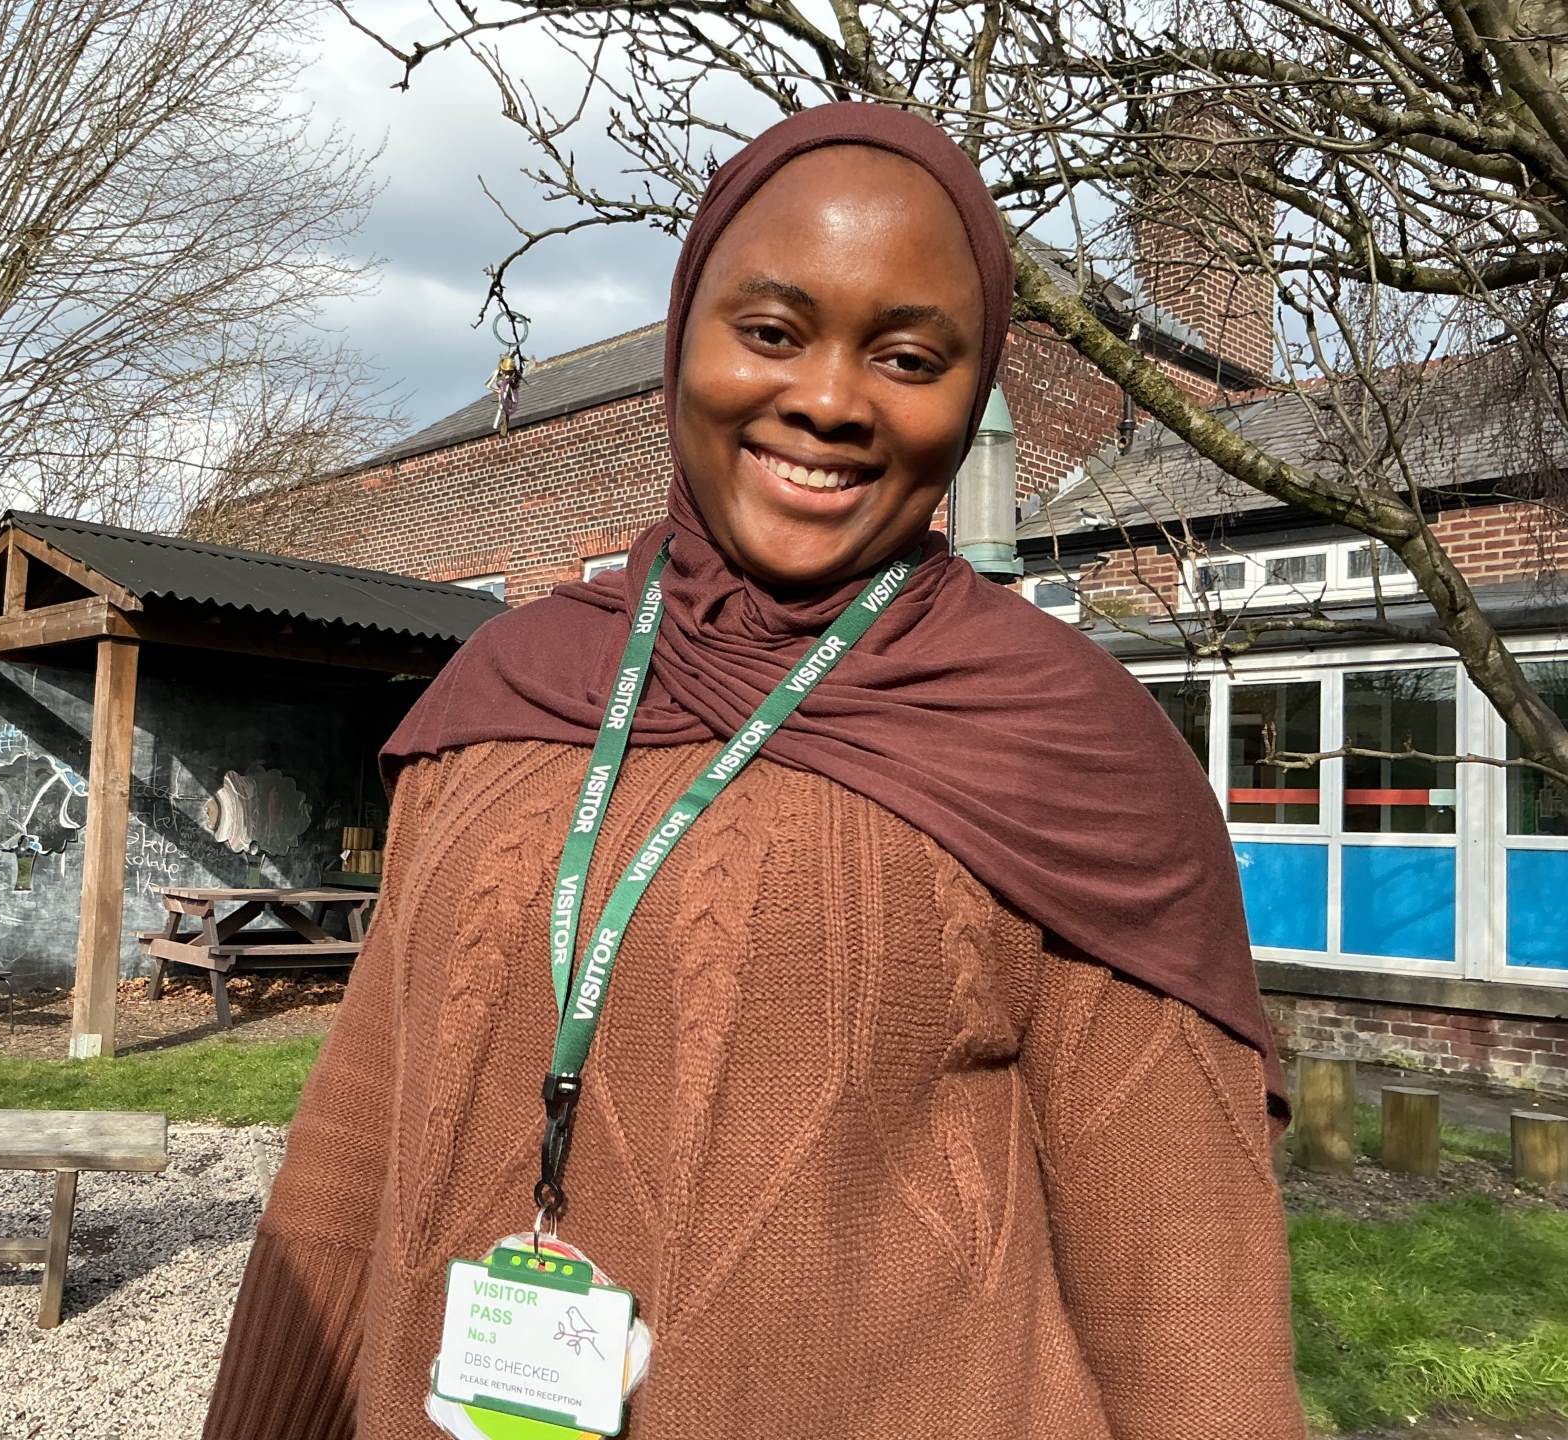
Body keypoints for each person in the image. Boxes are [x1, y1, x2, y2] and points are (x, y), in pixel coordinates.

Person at [203, 102, 1304, 1440]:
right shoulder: (500, 699)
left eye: (908, 357)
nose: (830, 401)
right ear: (683, 343)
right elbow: (349, 1158)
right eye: (774, 332)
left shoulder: (1071, 755)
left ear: (972, 398)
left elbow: (1186, 1311)